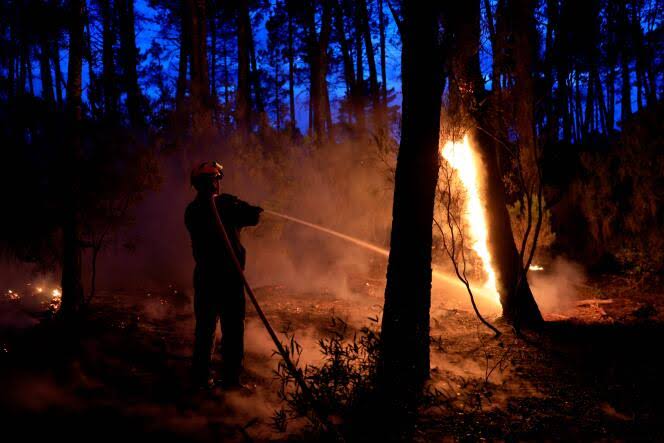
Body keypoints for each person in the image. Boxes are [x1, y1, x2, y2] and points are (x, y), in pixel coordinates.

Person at [185, 161, 262, 389]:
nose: (217, 183)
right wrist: (239, 204)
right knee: (232, 330)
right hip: (228, 279)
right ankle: (230, 381)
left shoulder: (192, 210)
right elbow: (253, 217)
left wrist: (232, 203)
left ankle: (202, 379)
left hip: (206, 278)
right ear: (212, 182)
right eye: (215, 179)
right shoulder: (224, 206)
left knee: (206, 330)